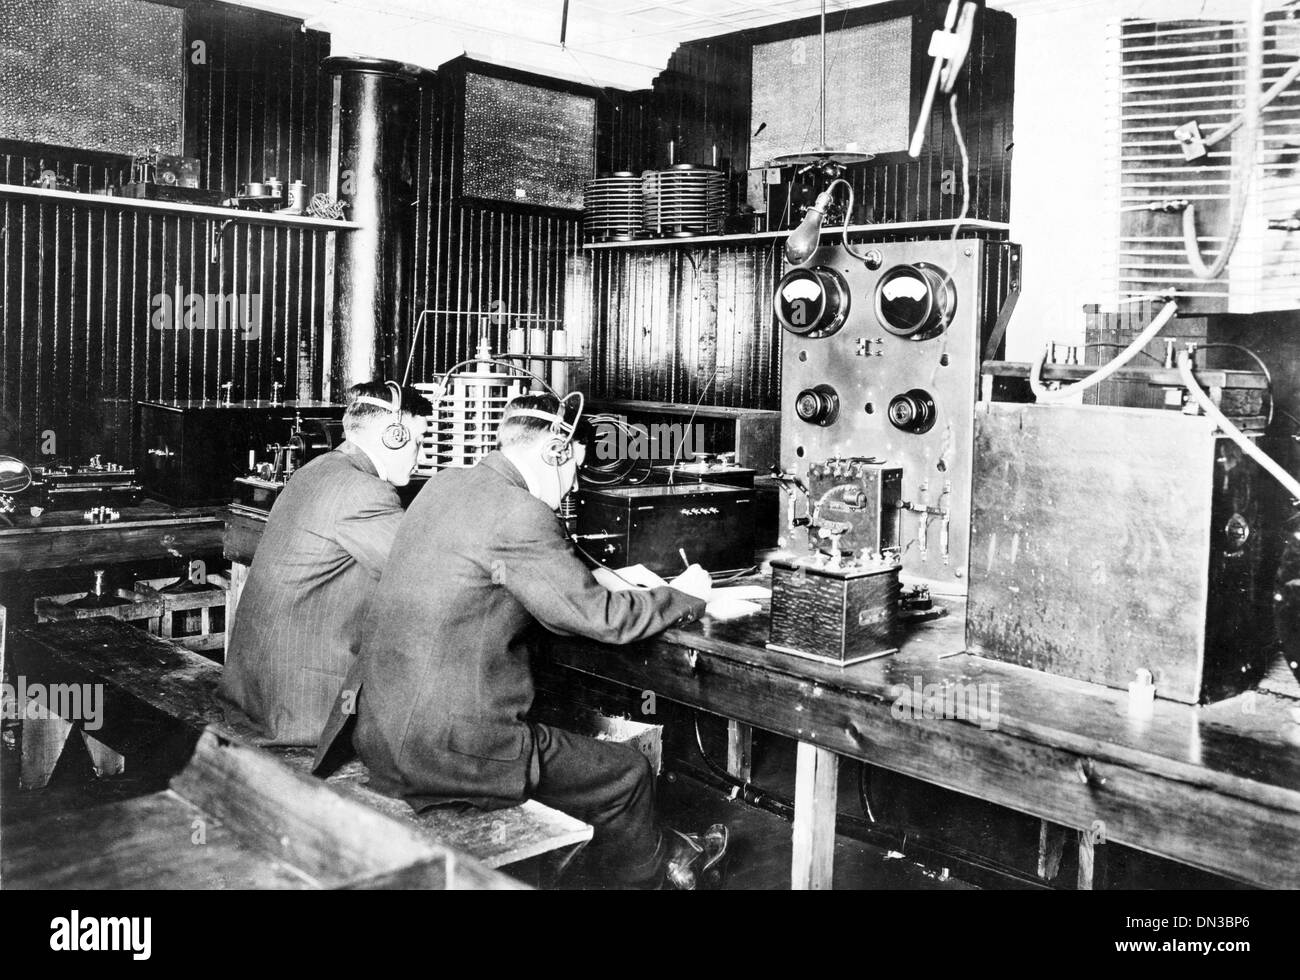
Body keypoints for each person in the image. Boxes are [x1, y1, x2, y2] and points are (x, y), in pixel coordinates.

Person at [315, 392, 727, 888]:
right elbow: (601, 619)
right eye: (573, 466)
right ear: (554, 452)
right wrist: (683, 595)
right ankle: (656, 877)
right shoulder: (520, 513)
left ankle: (662, 855)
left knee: (561, 731)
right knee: (629, 772)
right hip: (446, 750)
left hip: (379, 730)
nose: (573, 484)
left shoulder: (444, 484)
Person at [220, 381, 432, 746]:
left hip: (256, 691)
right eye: (417, 440)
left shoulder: (318, 469)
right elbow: (424, 579)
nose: (421, 453)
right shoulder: (363, 491)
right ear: (391, 435)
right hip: (302, 708)